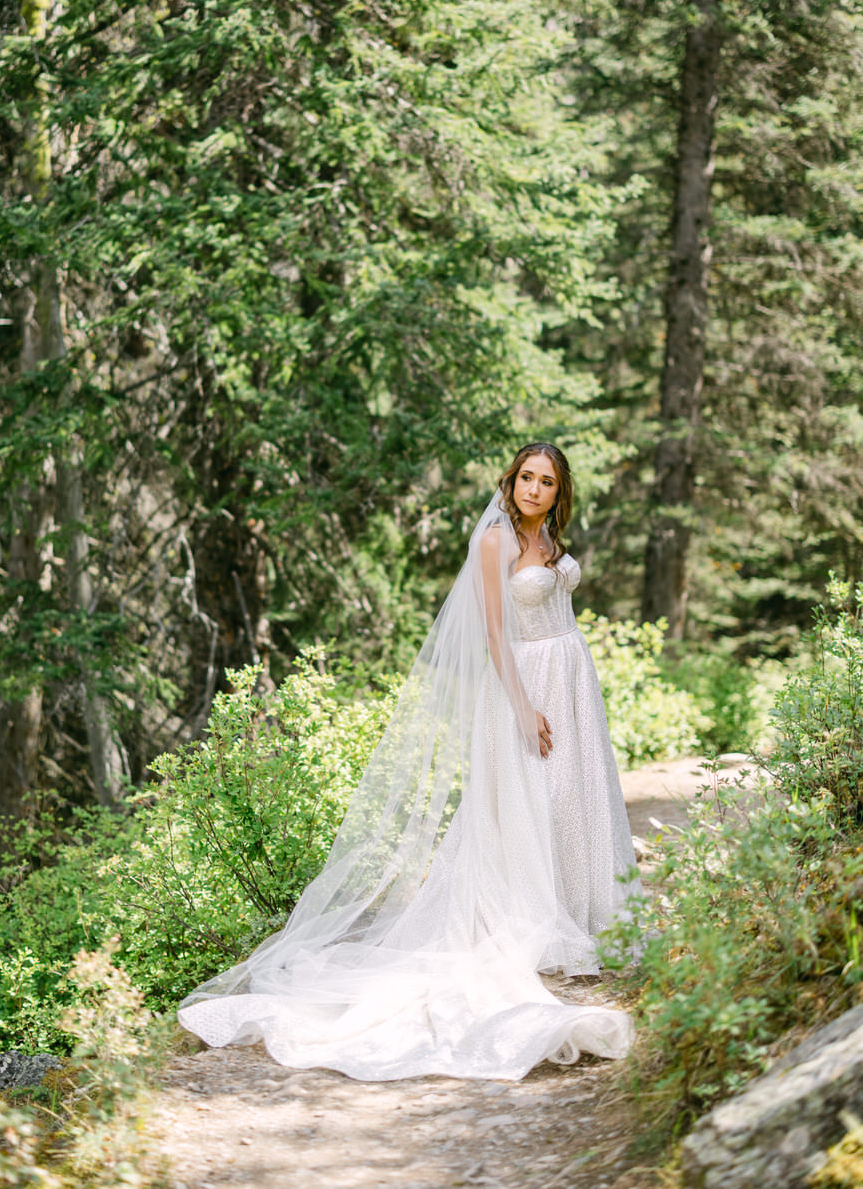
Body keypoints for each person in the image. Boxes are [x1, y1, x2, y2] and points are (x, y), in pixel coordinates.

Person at [178, 443, 640, 1080]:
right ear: (512, 482)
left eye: (547, 482)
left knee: (574, 792)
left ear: (560, 493)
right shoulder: (495, 543)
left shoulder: (550, 539)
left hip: (570, 671)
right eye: (527, 478)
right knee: (533, 797)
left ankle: (586, 910)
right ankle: (534, 918)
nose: (535, 490)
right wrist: (524, 705)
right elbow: (496, 633)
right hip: (525, 679)